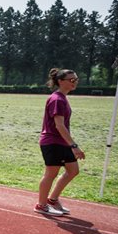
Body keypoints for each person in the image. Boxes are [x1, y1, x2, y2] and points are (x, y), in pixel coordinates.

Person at [36, 68, 85, 216]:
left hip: (62, 142)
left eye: (76, 79)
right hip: (52, 141)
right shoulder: (57, 99)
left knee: (73, 170)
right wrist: (74, 146)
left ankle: (52, 199)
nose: (74, 82)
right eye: (71, 80)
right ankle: (41, 205)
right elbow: (59, 125)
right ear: (60, 81)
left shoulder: (62, 98)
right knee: (51, 173)